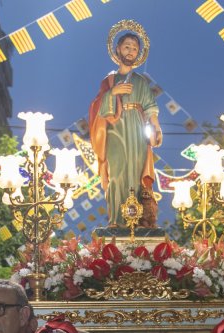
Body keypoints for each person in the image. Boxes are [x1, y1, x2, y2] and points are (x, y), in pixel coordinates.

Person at [89, 22, 163, 231]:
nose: (131, 51)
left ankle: (138, 221)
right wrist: (113, 93)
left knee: (136, 171)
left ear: (138, 54)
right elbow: (98, 108)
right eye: (127, 46)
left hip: (137, 129)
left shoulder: (141, 81)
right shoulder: (110, 81)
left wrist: (156, 127)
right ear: (117, 50)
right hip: (115, 129)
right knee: (118, 172)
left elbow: (150, 106)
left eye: (135, 48)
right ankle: (117, 221)